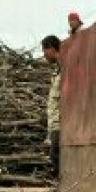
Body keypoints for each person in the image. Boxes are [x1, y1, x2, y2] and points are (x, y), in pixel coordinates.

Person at [41, 34, 62, 176]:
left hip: (60, 123)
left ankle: (61, 186)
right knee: (54, 155)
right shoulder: (57, 71)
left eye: (44, 50)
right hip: (54, 123)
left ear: (52, 48)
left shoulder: (64, 70)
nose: (44, 54)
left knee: (56, 155)